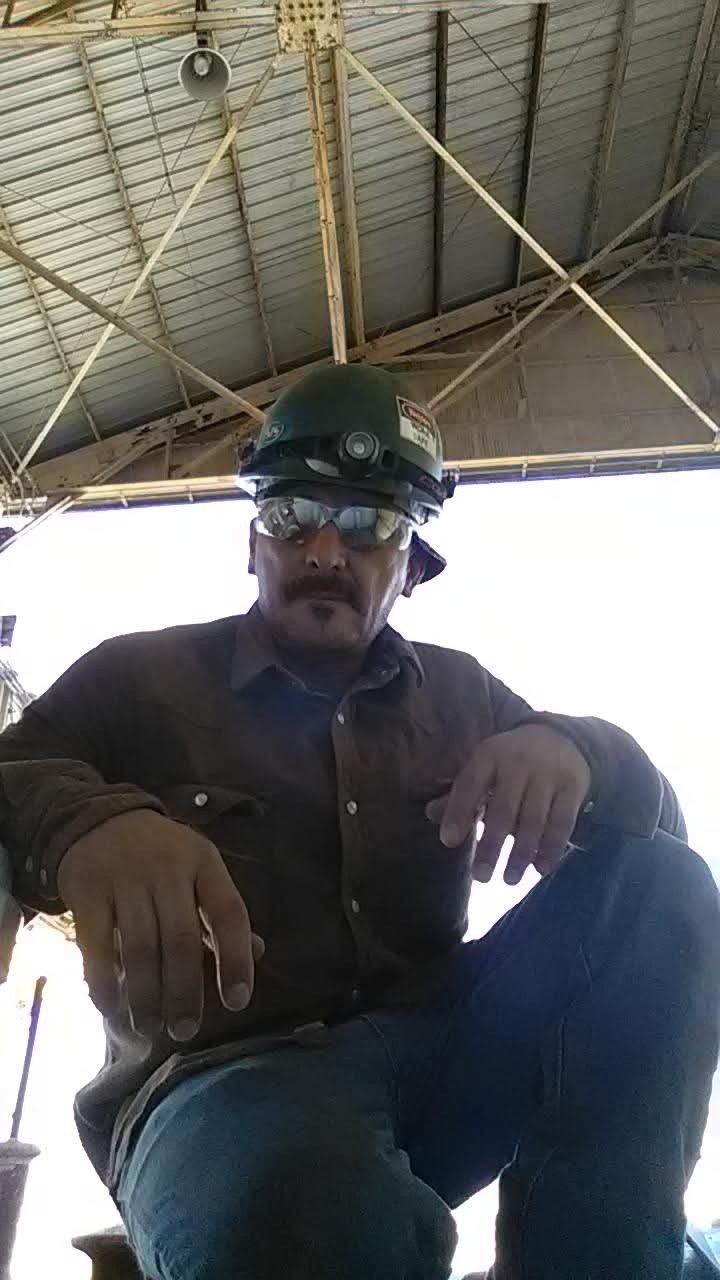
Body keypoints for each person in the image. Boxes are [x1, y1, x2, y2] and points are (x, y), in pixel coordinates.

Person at [0, 364, 718, 1280]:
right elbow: (13, 770)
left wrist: (584, 748)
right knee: (314, 1212)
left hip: (439, 1063)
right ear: (252, 544)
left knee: (664, 886)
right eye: (291, 514)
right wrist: (89, 824)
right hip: (215, 1090)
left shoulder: (467, 697)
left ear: (411, 567)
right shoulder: (136, 680)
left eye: (370, 524)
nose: (325, 551)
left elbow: (661, 868)